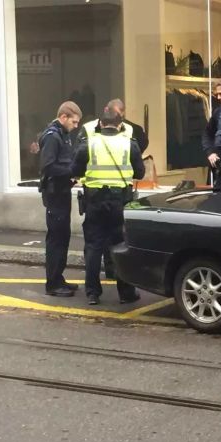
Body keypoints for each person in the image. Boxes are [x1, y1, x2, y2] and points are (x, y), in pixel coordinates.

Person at [71, 108, 145, 305]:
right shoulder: (130, 144)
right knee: (121, 246)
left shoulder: (89, 143)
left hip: (94, 201)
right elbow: (140, 172)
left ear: (100, 124)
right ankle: (126, 293)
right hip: (120, 201)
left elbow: (75, 169)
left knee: (93, 247)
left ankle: (93, 293)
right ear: (120, 125)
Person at [39, 101, 82, 297]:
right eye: (74, 122)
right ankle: (53, 283)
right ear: (63, 117)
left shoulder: (62, 135)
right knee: (56, 239)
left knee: (63, 237)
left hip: (62, 191)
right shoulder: (53, 137)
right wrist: (71, 173)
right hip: (55, 193)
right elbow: (48, 167)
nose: (76, 126)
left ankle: (58, 277)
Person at [77, 98, 148, 153]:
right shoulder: (88, 127)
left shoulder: (130, 128)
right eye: (114, 114)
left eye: (119, 116)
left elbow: (143, 142)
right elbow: (78, 153)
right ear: (106, 110)